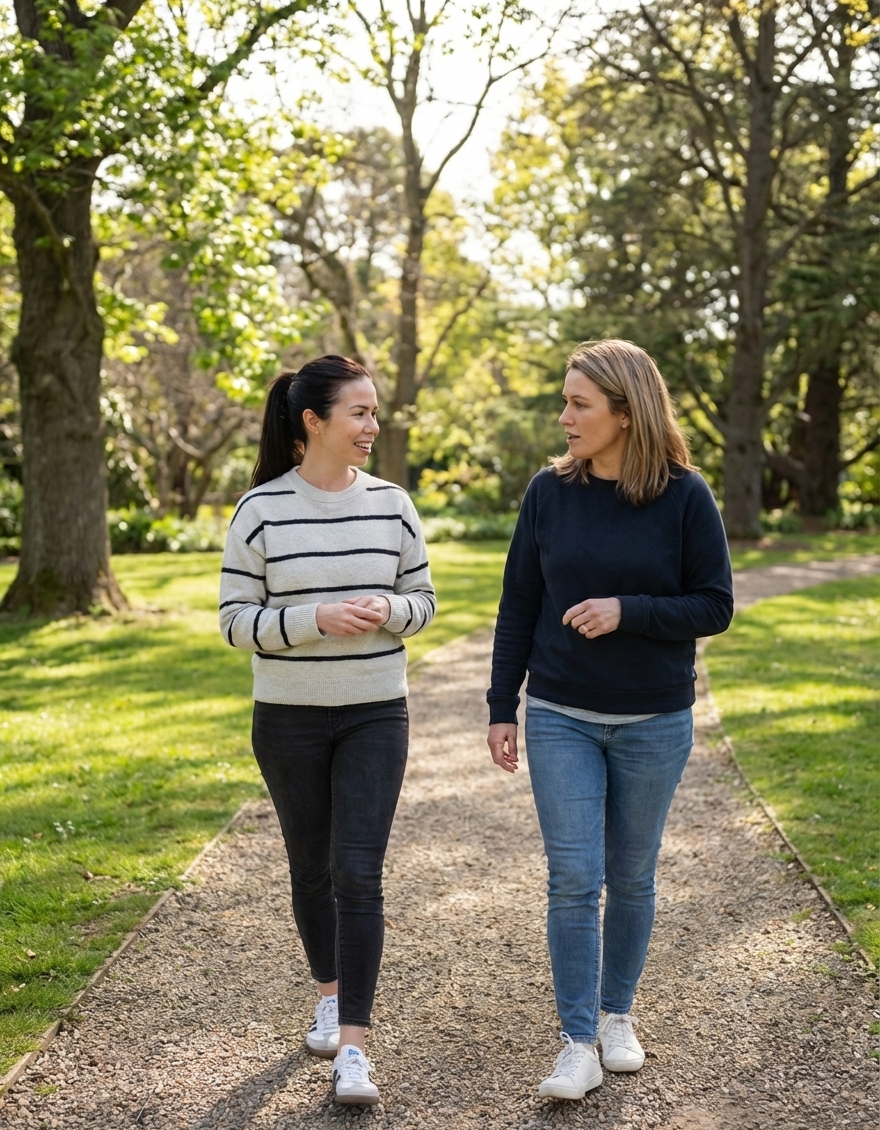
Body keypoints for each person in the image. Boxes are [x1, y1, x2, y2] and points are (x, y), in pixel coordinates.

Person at [486, 339, 733, 1101]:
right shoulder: (548, 493)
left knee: (630, 874)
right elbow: (518, 603)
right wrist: (503, 706)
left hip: (655, 719)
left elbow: (715, 604)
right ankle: (577, 1040)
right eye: (566, 402)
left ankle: (618, 1013)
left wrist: (628, 612)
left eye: (579, 404)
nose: (564, 417)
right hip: (560, 712)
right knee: (573, 877)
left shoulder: (686, 496)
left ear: (625, 414)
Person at [219, 356, 435, 1106]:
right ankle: (328, 993)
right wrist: (315, 620)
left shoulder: (393, 505)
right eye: (360, 414)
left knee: (358, 872)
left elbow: (424, 600)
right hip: (288, 719)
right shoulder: (260, 511)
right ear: (313, 421)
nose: (373, 427)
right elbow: (234, 622)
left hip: (377, 710)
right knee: (309, 868)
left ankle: (354, 1050)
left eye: (375, 414)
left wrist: (389, 611)